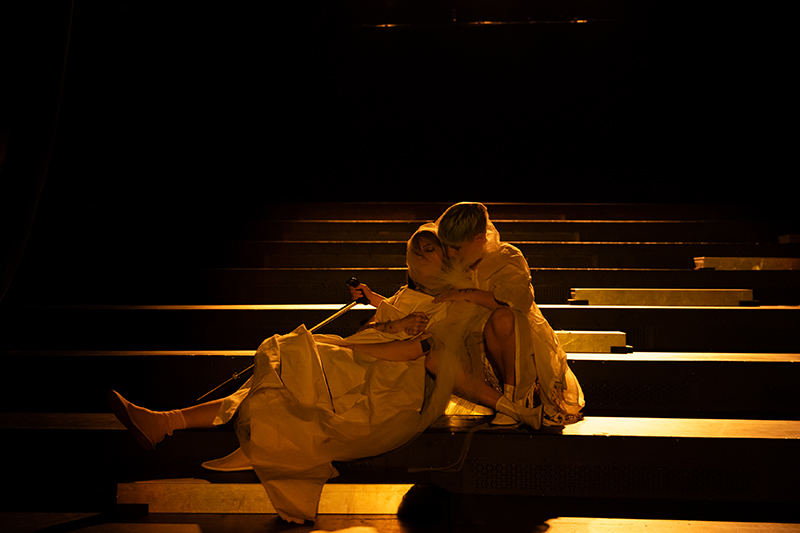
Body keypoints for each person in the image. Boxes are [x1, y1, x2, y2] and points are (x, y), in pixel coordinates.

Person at [108, 226, 539, 524]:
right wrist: (374, 304)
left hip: (389, 385)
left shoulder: (450, 303)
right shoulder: (412, 294)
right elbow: (397, 314)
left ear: (444, 257)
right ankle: (163, 422)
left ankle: (166, 422)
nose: (421, 257)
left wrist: (351, 342)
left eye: (431, 250)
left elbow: (414, 349)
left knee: (295, 359)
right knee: (274, 382)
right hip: (364, 361)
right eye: (417, 250)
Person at [430, 202, 584, 426]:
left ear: (480, 240)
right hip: (476, 350)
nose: (451, 254)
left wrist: (466, 293)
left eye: (457, 248)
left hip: (514, 345)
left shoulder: (507, 257)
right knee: (433, 351)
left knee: (503, 318)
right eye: (448, 247)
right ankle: (505, 405)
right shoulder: (455, 263)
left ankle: (517, 397)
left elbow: (516, 304)